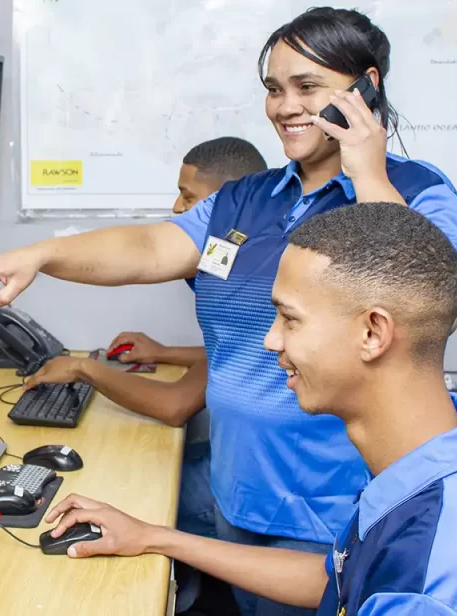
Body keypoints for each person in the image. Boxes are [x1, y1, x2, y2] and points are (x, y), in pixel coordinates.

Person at [0, 8, 457, 614]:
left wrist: (367, 173)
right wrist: (39, 256)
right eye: (274, 89)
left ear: (365, 89)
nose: (284, 107)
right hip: (237, 487)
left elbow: (443, 299)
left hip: (332, 509)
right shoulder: (249, 198)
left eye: (308, 87)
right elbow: (148, 248)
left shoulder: (417, 190)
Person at [41, 202, 457, 615]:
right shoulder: (436, 459)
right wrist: (154, 537)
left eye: (289, 318)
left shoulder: (431, 577)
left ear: (373, 333)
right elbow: (333, 580)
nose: (271, 341)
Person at [25, 137, 267, 540]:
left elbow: (174, 405)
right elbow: (229, 351)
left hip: (254, 494)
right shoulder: (251, 266)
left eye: (187, 197)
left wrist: (86, 368)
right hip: (240, 466)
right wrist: (164, 352)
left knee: (129, 495)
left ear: (225, 203)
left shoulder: (260, 282)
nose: (176, 209)